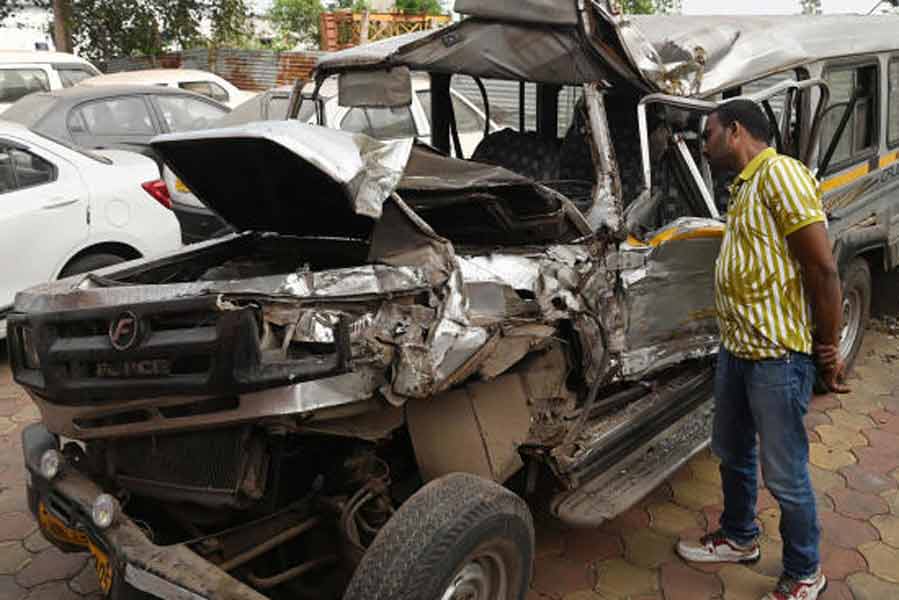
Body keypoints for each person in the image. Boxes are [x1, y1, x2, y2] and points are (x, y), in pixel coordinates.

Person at [675, 99, 849, 600]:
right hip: (739, 350)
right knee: (731, 451)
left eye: (707, 136)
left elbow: (823, 268)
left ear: (734, 131)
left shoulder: (780, 174)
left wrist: (828, 347)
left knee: (786, 474)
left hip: (776, 355)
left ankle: (804, 571)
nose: (703, 147)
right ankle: (739, 537)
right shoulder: (746, 186)